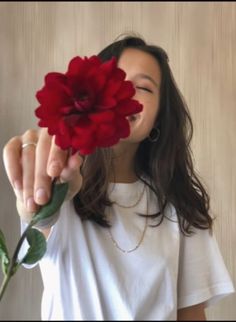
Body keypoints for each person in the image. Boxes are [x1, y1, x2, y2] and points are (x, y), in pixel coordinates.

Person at [2, 35, 235, 321]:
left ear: (159, 117)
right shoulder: (62, 186)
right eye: (117, 82)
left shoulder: (183, 208)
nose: (124, 94)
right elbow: (38, 217)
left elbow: (191, 315)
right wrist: (34, 194)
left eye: (143, 87)